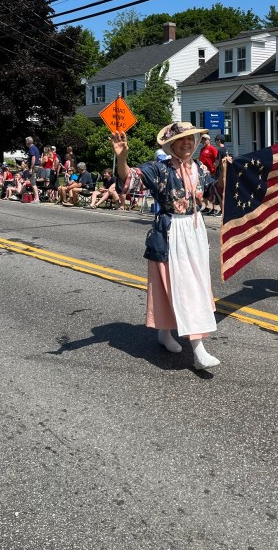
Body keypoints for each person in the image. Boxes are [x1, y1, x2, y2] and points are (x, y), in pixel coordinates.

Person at [111, 121, 219, 370]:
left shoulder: (201, 168)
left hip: (195, 231)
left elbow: (214, 192)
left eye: (191, 139)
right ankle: (198, 349)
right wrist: (122, 159)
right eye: (181, 140)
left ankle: (164, 332)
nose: (187, 143)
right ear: (170, 144)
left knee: (195, 285)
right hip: (170, 232)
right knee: (181, 287)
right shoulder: (159, 169)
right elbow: (129, 182)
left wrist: (228, 170)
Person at [198, 133, 219, 214]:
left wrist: (214, 170)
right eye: (202, 140)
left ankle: (215, 207)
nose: (203, 141)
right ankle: (207, 206)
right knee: (205, 190)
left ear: (209, 140)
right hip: (204, 173)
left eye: (205, 139)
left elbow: (217, 160)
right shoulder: (202, 149)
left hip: (211, 173)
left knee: (212, 190)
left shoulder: (212, 149)